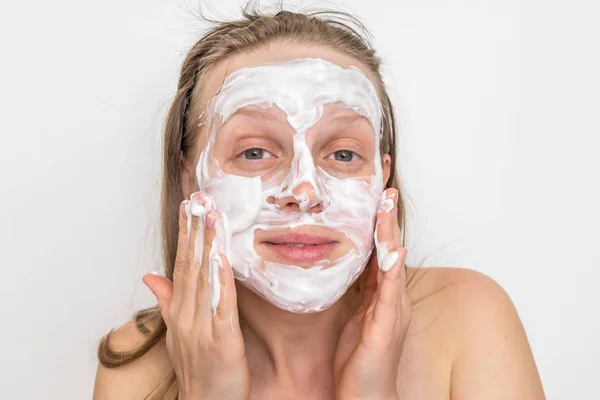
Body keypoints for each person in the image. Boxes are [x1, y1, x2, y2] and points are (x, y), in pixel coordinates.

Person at [93, 7, 545, 400]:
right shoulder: (138, 367)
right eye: (255, 152)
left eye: (343, 155)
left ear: (382, 177)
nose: (305, 193)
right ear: (193, 181)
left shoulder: (467, 320)